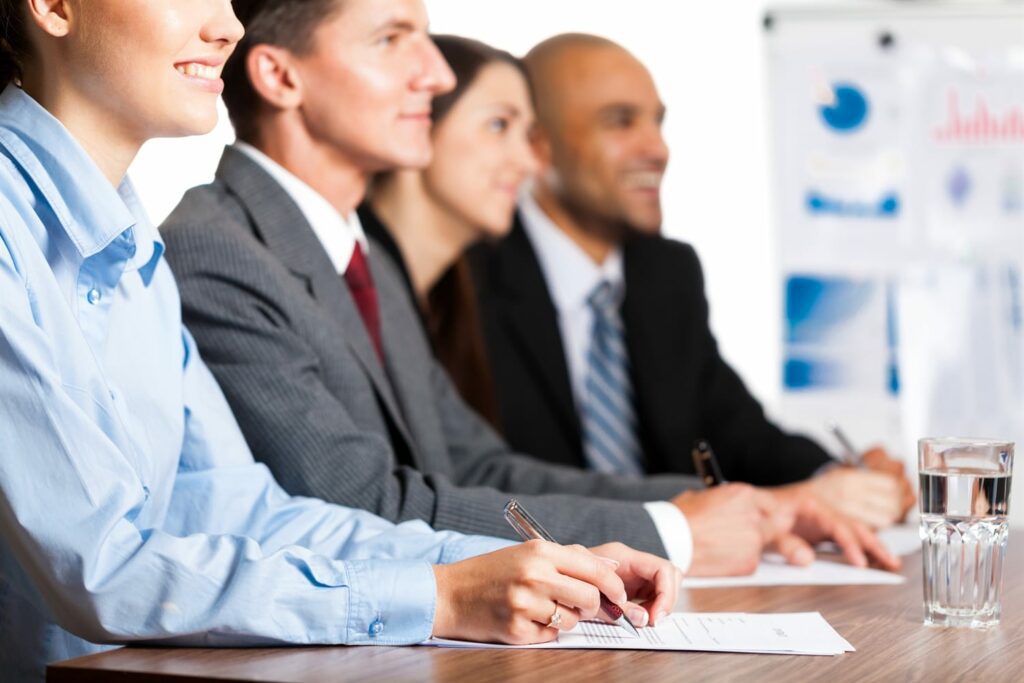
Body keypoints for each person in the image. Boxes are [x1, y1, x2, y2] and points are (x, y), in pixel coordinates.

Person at [0, 3, 682, 679]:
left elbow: (245, 508)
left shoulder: (133, 244)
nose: (229, 27)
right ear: (55, 6)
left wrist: (530, 562)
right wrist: (440, 595)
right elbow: (100, 566)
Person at [162, 0, 898, 583]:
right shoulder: (217, 247)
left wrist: (716, 506)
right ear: (280, 77)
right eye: (393, 38)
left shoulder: (356, 256)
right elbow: (357, 503)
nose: (437, 73)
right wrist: (671, 532)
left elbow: (479, 465)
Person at [468, 34, 916, 529]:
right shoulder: (465, 278)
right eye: (620, 121)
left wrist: (839, 479)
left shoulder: (664, 272)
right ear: (539, 145)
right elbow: (482, 477)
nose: (658, 149)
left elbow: (739, 434)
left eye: (657, 122)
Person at [361, 35, 537, 428]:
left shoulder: (462, 299)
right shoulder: (350, 284)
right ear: (419, 123)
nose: (527, 162)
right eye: (498, 125)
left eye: (527, 135)